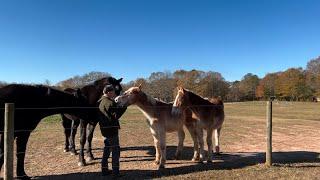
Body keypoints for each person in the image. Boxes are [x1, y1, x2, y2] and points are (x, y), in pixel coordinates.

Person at [98, 84, 126, 177]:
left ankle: (104, 170)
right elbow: (116, 116)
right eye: (113, 91)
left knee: (107, 149)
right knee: (115, 150)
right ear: (109, 92)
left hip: (104, 130)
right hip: (111, 130)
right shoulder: (110, 103)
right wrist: (123, 106)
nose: (114, 93)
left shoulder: (101, 101)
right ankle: (115, 172)